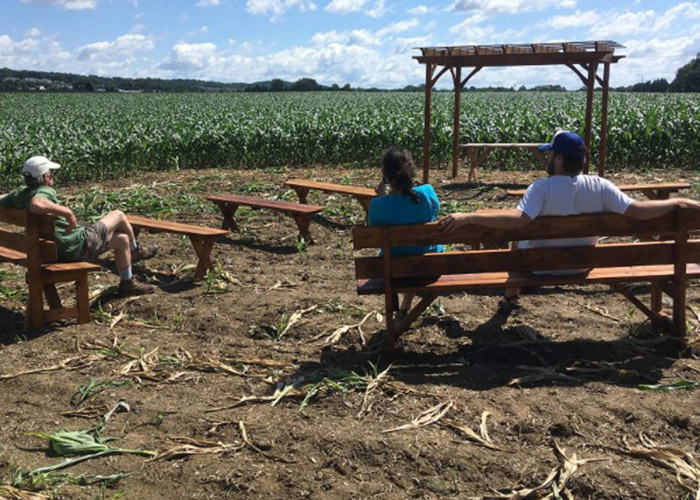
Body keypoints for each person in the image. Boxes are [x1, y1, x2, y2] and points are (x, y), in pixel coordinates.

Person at [438, 130, 700, 309]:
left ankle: (512, 295)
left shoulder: (540, 188)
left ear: (560, 159)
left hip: (539, 266)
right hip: (582, 264)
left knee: (518, 242)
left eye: (550, 154)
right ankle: (512, 296)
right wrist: (679, 203)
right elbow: (638, 211)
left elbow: (518, 220)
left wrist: (469, 216)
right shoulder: (600, 186)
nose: (548, 158)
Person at [0, 156, 158, 296]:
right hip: (78, 246)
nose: (52, 175)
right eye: (50, 173)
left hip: (53, 252)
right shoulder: (44, 191)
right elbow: (37, 204)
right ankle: (136, 250)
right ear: (45, 176)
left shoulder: (20, 195)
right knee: (118, 215)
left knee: (122, 238)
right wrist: (67, 212)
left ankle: (127, 283)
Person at [368, 147, 443, 316]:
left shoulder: (378, 205)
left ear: (386, 176)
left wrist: (380, 197)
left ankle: (403, 307)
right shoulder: (429, 193)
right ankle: (405, 307)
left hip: (393, 272)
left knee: (402, 253)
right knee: (417, 250)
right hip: (430, 268)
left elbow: (374, 231)